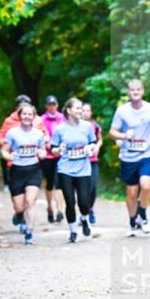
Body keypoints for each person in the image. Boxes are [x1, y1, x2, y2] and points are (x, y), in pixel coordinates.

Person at [109, 79, 150, 236]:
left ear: (143, 91)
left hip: (146, 154)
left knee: (146, 186)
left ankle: (143, 215)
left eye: (138, 89)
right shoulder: (122, 111)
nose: (135, 92)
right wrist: (123, 135)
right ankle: (132, 222)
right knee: (132, 193)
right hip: (128, 157)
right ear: (128, 92)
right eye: (132, 89)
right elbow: (112, 132)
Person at [50, 98, 98, 243]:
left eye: (81, 108)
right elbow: (53, 150)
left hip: (83, 169)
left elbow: (93, 143)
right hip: (65, 170)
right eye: (77, 108)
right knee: (70, 202)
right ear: (69, 110)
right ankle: (72, 232)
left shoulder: (87, 127)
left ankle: (83, 219)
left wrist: (90, 148)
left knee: (84, 202)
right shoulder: (60, 129)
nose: (81, 111)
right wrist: (59, 149)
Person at [0, 95, 48, 226]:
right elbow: (0, 140)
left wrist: (43, 150)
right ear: (18, 110)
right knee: (19, 205)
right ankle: (19, 213)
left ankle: (29, 231)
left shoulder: (38, 125)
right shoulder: (9, 123)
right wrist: (10, 153)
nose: (26, 116)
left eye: (29, 113)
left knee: (30, 201)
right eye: (23, 111)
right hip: (15, 166)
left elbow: (44, 138)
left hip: (33, 168)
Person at [39, 95, 67, 224]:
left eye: (54, 104)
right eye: (49, 104)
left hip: (61, 155)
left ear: (57, 105)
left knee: (59, 182)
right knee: (49, 183)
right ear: (46, 106)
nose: (52, 107)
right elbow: (38, 136)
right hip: (48, 155)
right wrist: (46, 144)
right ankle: (50, 207)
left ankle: (60, 209)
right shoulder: (41, 119)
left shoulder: (63, 118)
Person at [81, 102, 103, 224]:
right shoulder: (76, 126)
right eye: (83, 110)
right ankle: (84, 211)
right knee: (83, 188)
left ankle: (90, 209)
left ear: (91, 113)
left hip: (93, 161)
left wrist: (98, 147)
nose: (85, 113)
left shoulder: (95, 126)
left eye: (88, 111)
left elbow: (100, 139)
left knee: (93, 187)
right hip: (80, 162)